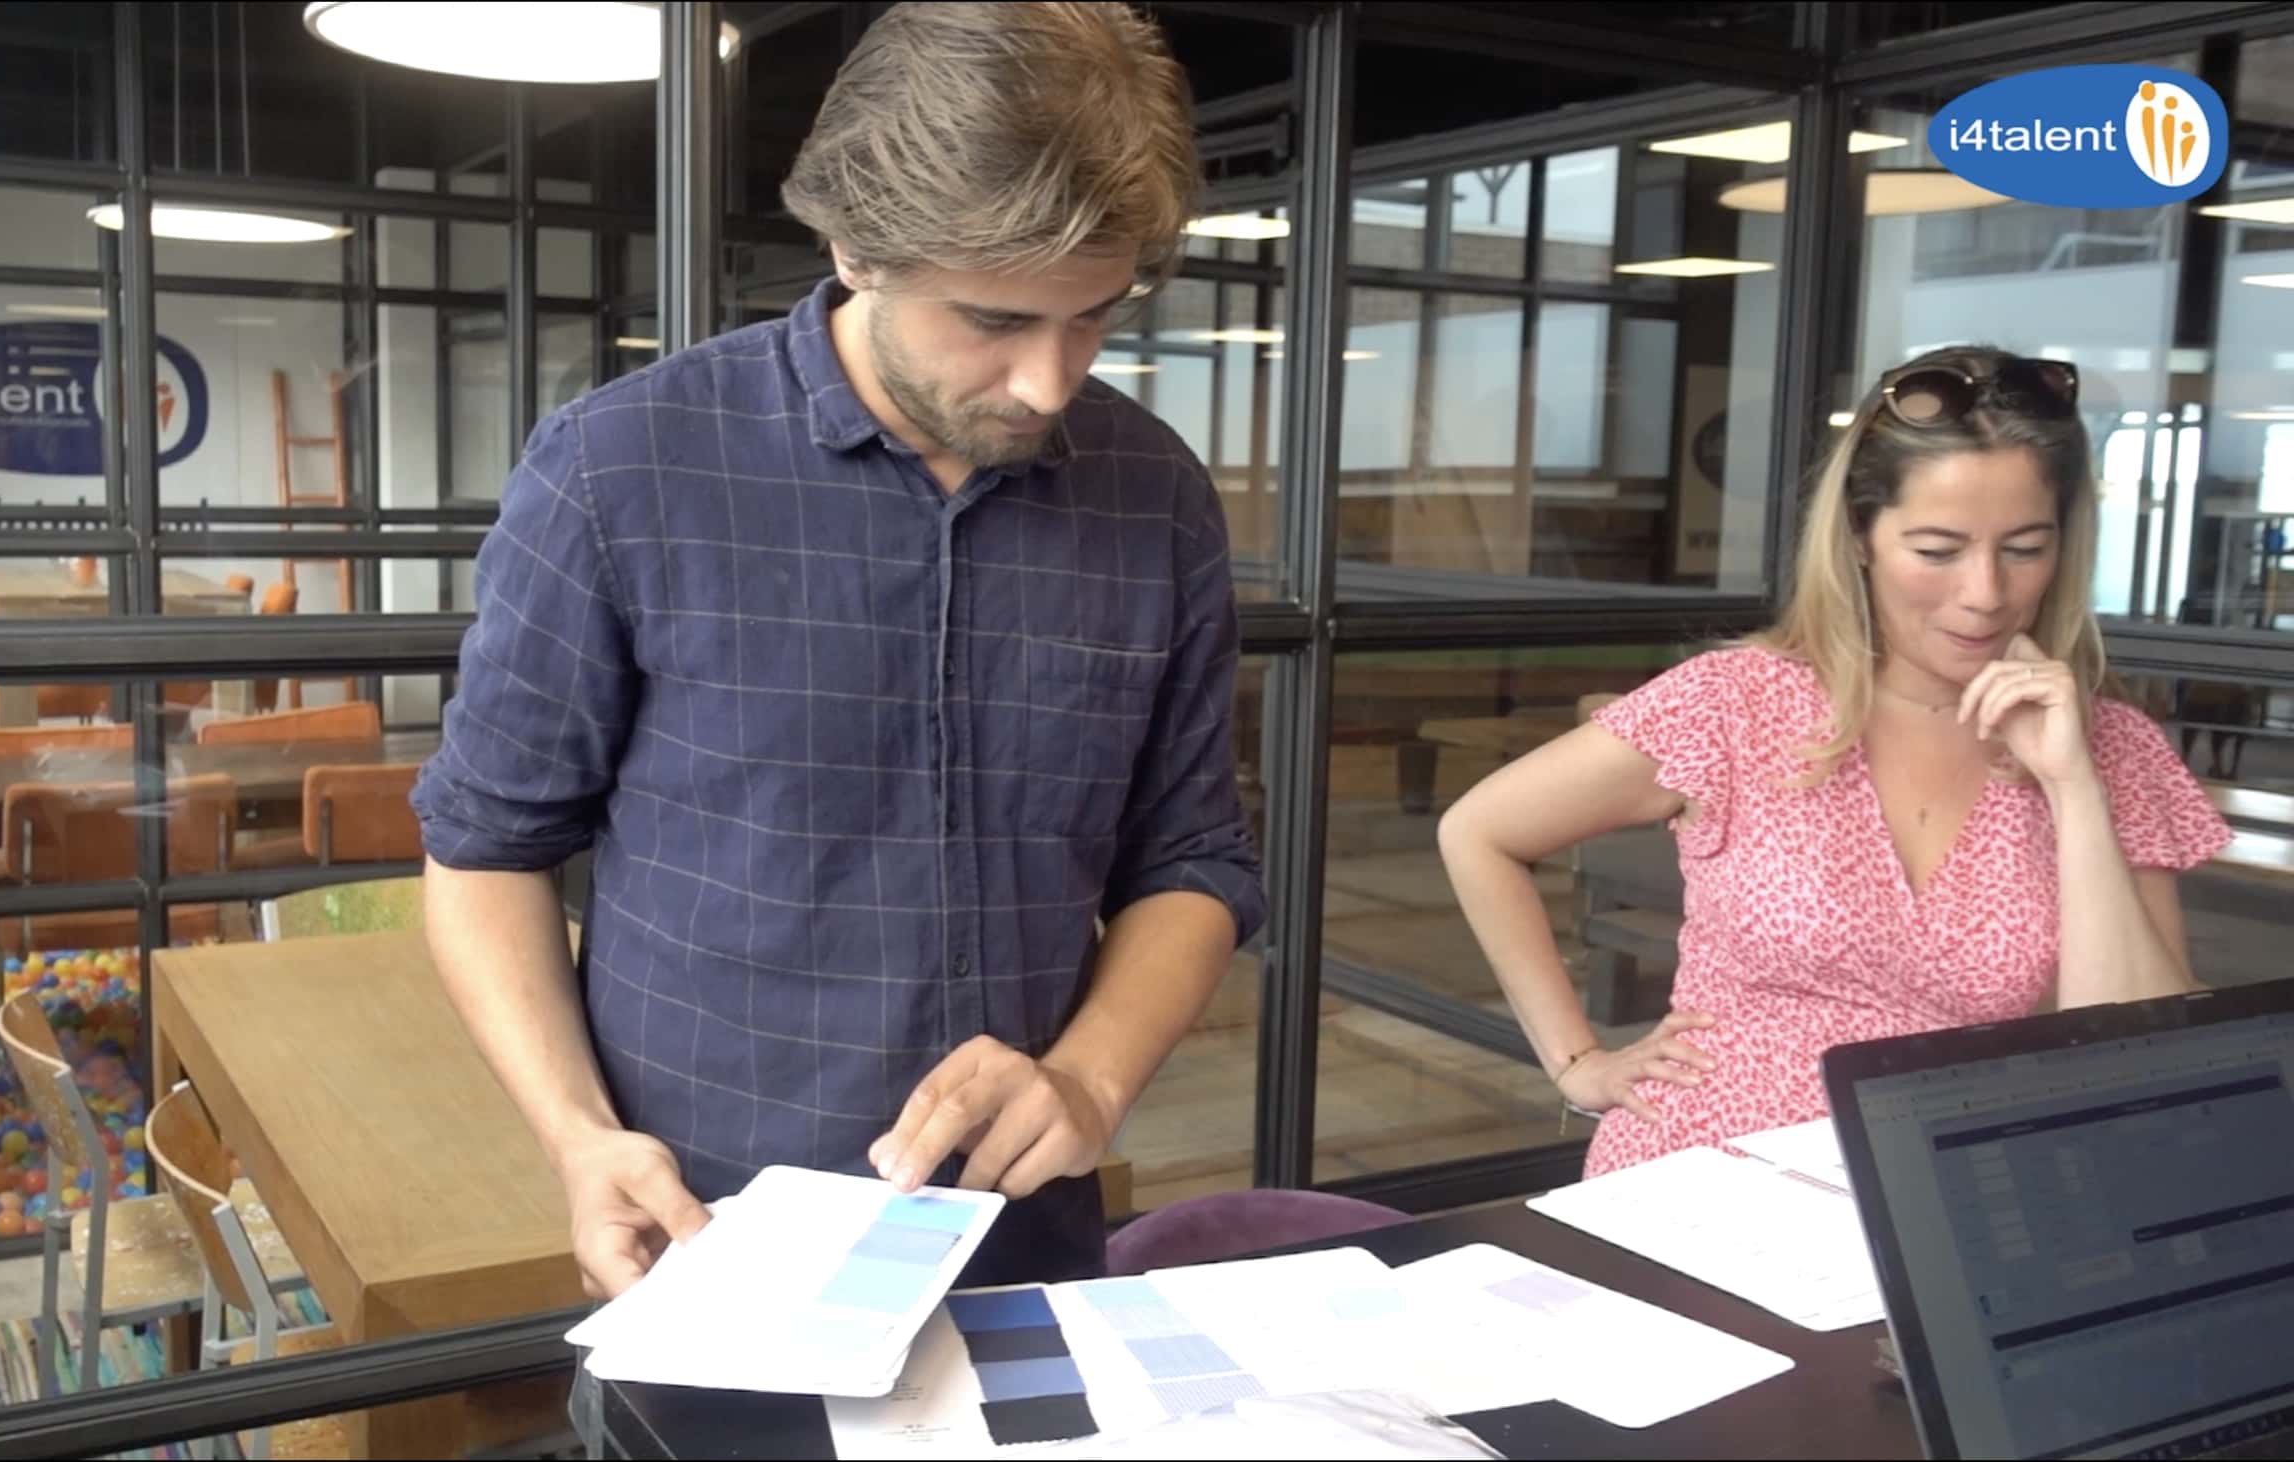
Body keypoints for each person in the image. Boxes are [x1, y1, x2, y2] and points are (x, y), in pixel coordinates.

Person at [408, 0, 1265, 1307]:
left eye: (1094, 318)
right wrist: (577, 1139)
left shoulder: (1153, 493)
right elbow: (485, 851)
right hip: (705, 1239)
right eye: (994, 320)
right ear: (855, 246)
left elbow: (1192, 855)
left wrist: (1090, 1077)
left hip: (1021, 1238)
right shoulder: (622, 470)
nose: (1048, 382)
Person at [1438, 346, 2232, 1178]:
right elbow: (1479, 832)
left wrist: (2072, 786)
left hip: (1943, 1193)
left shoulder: (2107, 749)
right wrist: (1577, 1063)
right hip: (1694, 1178)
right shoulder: (1734, 703)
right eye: (1937, 550)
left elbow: (2143, 1058)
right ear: (1859, 536)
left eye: (2025, 548)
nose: (1985, 593)